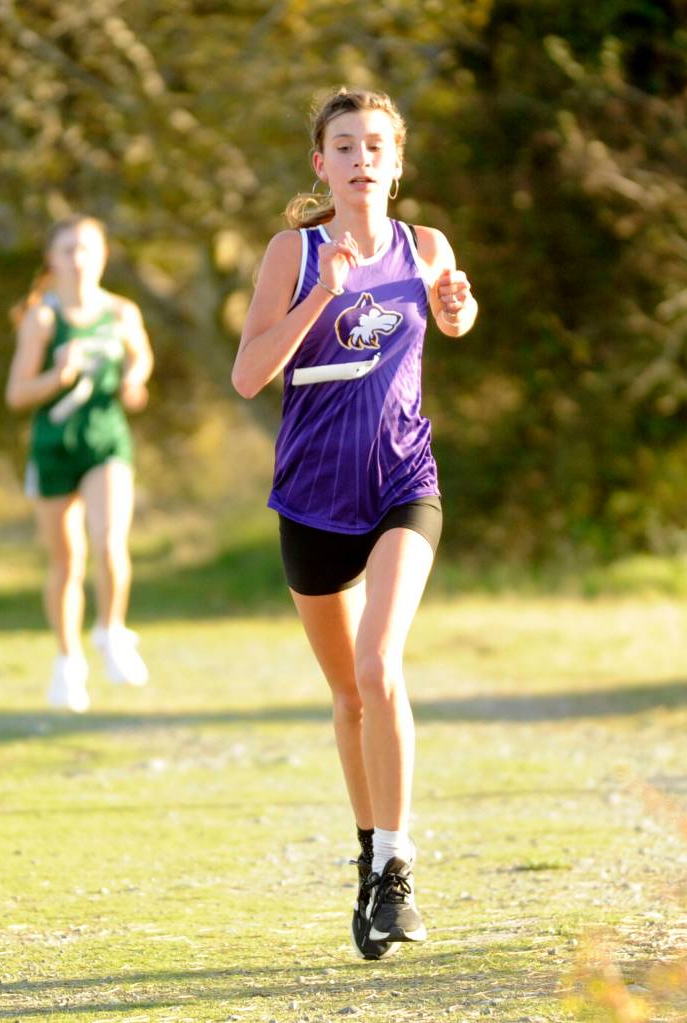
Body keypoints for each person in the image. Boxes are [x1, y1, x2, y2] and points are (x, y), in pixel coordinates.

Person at [232, 88, 477, 959]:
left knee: (380, 666)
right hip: (311, 499)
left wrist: (455, 309)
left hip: (403, 486)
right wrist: (317, 298)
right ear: (321, 165)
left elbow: (453, 315)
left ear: (398, 162)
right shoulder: (289, 253)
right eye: (345, 145)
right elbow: (248, 375)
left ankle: (399, 866)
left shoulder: (427, 245)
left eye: (377, 144)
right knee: (348, 696)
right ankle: (370, 862)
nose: (362, 157)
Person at [6, 215, 153, 712]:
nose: (79, 258)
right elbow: (17, 393)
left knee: (109, 540)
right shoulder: (43, 318)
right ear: (52, 259)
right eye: (68, 249)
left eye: (88, 248)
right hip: (53, 448)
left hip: (105, 441)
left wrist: (134, 380)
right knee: (66, 562)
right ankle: (68, 663)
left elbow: (141, 360)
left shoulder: (121, 311)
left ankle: (112, 630)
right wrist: (57, 375)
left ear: (104, 254)